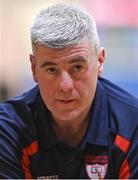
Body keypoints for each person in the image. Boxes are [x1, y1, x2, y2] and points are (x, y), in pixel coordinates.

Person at [0, 4, 138, 179]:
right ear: (34, 68)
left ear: (100, 62)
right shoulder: (8, 130)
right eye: (51, 69)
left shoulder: (132, 125)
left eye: (77, 67)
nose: (65, 86)